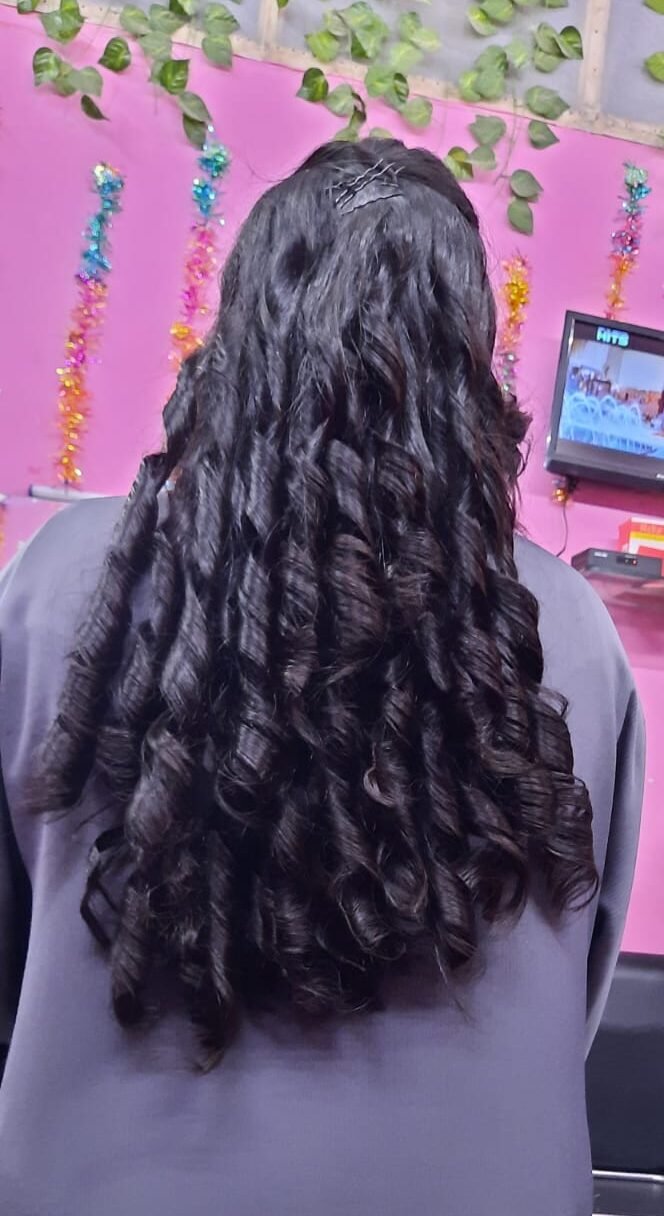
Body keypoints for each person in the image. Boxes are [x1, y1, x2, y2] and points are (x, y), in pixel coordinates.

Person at [0, 139, 644, 1216]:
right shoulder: (565, 628)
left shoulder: (64, 582)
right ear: (465, 361)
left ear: (239, 332)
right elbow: (570, 995)